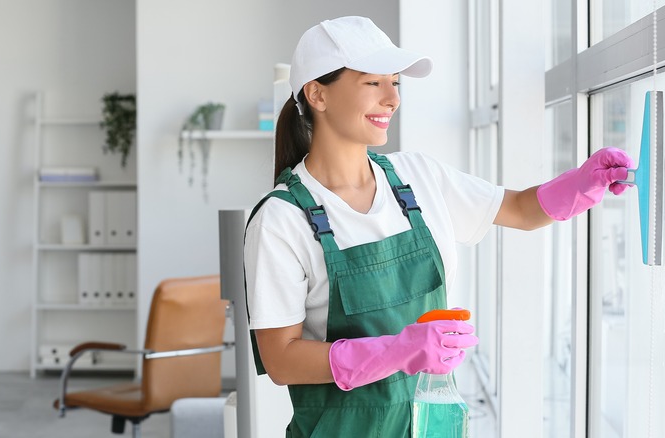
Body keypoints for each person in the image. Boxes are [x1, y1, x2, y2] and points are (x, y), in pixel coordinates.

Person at [243, 16, 633, 437]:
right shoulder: (282, 219)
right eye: (373, 83)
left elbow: (519, 209)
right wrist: (397, 350)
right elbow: (281, 360)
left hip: (430, 425)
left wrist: (582, 182)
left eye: (396, 83)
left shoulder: (417, 177)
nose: (392, 99)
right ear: (317, 94)